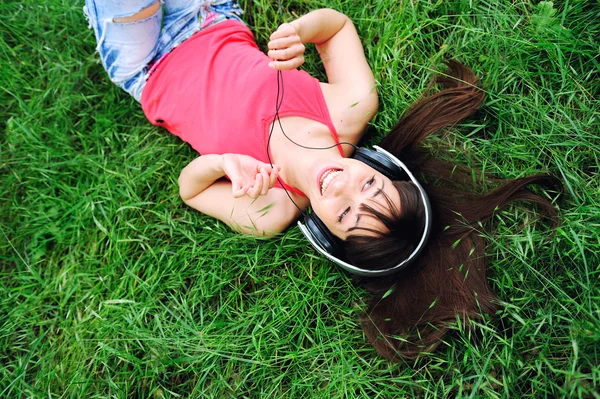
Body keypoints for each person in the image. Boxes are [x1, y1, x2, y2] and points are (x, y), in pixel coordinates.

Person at [84, 0, 560, 360]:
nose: (345, 190)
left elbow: (191, 189)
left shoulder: (270, 209)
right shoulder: (350, 107)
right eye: (371, 187)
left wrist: (222, 164)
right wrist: (298, 31)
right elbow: (336, 28)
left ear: (329, 237)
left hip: (149, 63)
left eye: (349, 216)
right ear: (385, 169)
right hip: (211, 14)